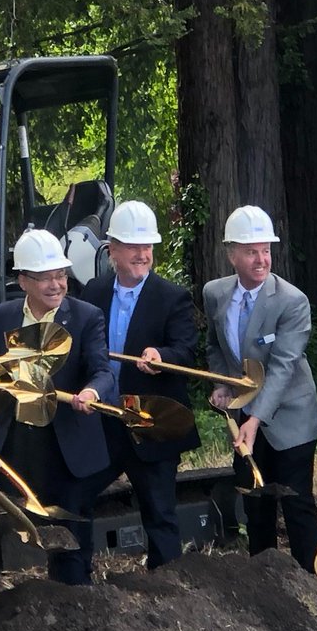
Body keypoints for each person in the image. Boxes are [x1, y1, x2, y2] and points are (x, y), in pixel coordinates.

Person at [0, 228, 115, 619]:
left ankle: (75, 609)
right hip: (14, 443)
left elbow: (102, 369)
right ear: (22, 279)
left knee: (70, 531)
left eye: (61, 275)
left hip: (66, 447)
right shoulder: (2, 316)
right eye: (45, 277)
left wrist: (92, 392)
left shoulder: (87, 316)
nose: (56, 284)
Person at [203, 205, 317, 571]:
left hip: (290, 417)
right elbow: (214, 346)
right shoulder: (215, 293)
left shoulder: (292, 301)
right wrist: (223, 382)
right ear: (232, 254)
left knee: (296, 503)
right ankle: (266, 589)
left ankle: (314, 588)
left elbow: (284, 367)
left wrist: (253, 419)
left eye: (266, 250)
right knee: (255, 502)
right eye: (252, 251)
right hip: (245, 419)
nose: (261, 259)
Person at [81, 200, 200, 566]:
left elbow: (187, 351)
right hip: (105, 421)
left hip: (151, 423)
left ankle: (168, 591)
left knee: (160, 514)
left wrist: (163, 358)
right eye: (134, 247)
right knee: (77, 498)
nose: (142, 254)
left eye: (147, 247)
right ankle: (75, 584)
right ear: (112, 249)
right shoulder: (94, 293)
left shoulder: (172, 297)